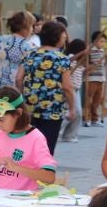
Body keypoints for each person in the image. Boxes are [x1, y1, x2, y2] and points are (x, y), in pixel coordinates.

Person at [17, 19, 79, 152]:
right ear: (57, 37)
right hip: (52, 111)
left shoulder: (29, 55)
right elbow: (67, 87)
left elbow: (18, 79)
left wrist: (24, 95)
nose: (65, 39)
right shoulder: (62, 59)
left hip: (30, 109)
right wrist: (72, 108)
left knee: (28, 147)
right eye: (63, 36)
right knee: (46, 149)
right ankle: (43, 172)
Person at [0, 11, 35, 106]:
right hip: (15, 89)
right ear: (26, 27)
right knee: (12, 116)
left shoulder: (0, 40)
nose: (32, 29)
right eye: (31, 26)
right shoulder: (28, 46)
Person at [82, 28, 107, 124]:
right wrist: (92, 66)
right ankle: (87, 117)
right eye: (101, 41)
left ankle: (95, 118)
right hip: (91, 78)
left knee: (97, 100)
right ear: (94, 41)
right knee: (89, 98)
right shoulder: (89, 50)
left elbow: (104, 65)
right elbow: (84, 65)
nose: (102, 44)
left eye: (104, 42)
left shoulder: (102, 51)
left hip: (101, 78)